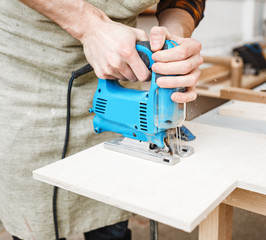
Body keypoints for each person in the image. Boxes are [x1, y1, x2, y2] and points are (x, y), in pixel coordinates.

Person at [0, 0, 205, 239]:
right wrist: (89, 26)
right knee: (37, 219)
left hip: (123, 60)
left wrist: (172, 44)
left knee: (111, 219)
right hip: (33, 66)